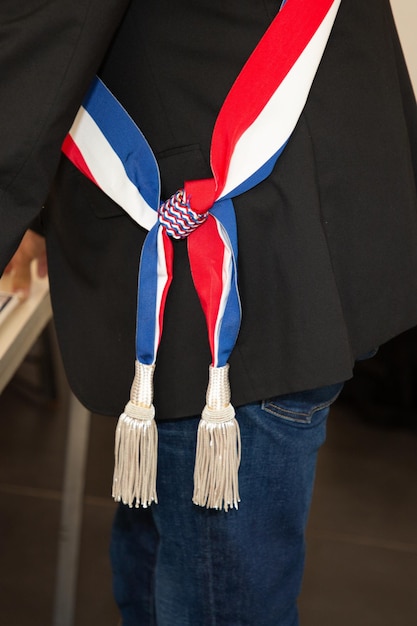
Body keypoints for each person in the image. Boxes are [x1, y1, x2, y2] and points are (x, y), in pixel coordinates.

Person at [2, 0, 417, 624]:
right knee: (165, 567)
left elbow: (43, 27)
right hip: (276, 211)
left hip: (235, 255)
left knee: (214, 602)